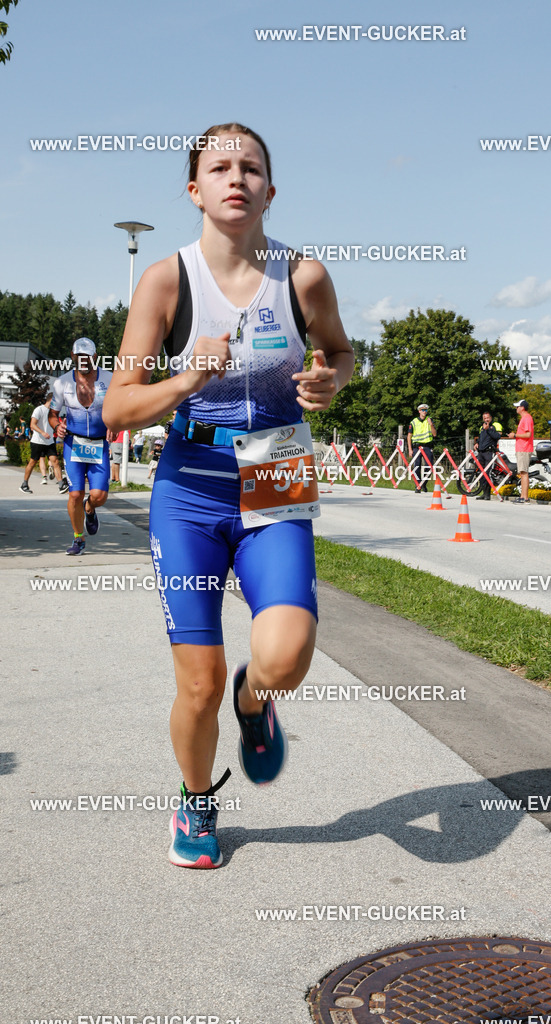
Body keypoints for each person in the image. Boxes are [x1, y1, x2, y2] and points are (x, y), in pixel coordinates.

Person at [102, 122, 355, 869]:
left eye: (250, 167)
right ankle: (195, 802)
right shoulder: (165, 280)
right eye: (219, 168)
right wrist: (185, 379)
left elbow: (340, 353)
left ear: (270, 190)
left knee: (285, 654)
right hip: (190, 483)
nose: (235, 177)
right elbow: (117, 408)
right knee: (198, 680)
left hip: (276, 466)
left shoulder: (302, 276)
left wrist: (327, 382)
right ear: (195, 190)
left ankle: (257, 703)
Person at [49, 338, 115, 554]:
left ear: (95, 357)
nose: (84, 361)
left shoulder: (109, 379)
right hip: (73, 443)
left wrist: (116, 424)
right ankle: (78, 538)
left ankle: (90, 508)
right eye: (80, 357)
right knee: (75, 494)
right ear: (73, 356)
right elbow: (53, 415)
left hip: (99, 444)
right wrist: (57, 426)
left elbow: (120, 408)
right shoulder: (61, 383)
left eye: (88, 357)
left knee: (99, 496)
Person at [20, 395, 69, 494]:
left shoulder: (53, 413)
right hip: (38, 441)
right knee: (32, 462)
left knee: (55, 461)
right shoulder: (39, 410)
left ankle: (61, 485)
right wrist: (42, 432)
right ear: (51, 400)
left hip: (49, 441)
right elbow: (32, 425)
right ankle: (24, 484)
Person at [508, 399, 534, 504]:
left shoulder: (527, 418)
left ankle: (525, 497)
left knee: (524, 473)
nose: (516, 408)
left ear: (522, 407)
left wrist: (515, 435)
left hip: (524, 448)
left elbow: (528, 435)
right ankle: (522, 496)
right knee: (522, 472)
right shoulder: (524, 418)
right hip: (521, 448)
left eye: (517, 407)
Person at [407, 403, 436, 493]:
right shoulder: (414, 422)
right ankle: (418, 485)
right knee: (417, 466)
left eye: (426, 410)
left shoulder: (429, 420)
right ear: (419, 411)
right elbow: (409, 436)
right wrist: (410, 449)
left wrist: (431, 424)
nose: (424, 412)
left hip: (427, 446)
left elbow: (434, 434)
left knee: (429, 466)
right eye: (422, 410)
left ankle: (424, 483)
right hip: (417, 447)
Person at [474, 411, 501, 501]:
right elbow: (481, 438)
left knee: (487, 473)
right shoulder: (482, 427)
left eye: (487, 418)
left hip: (489, 452)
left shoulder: (494, 426)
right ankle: (483, 493)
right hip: (481, 452)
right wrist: (477, 443)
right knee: (480, 473)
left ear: (491, 418)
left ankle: (487, 494)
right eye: (484, 418)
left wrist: (488, 429)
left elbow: (497, 436)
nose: (486, 419)